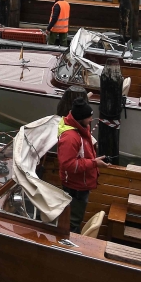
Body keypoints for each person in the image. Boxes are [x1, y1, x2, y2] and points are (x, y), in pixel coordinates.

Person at [57, 97, 107, 233]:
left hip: (82, 183)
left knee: (76, 217)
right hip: (75, 187)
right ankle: (69, 244)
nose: (91, 119)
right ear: (80, 119)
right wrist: (93, 163)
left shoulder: (82, 128)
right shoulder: (70, 138)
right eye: (89, 117)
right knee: (73, 220)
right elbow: (68, 165)